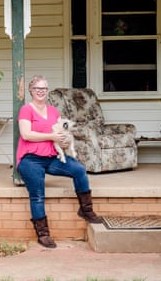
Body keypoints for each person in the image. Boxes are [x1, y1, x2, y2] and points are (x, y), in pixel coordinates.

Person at [16, 75, 102, 248]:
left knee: (79, 170)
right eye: (38, 89)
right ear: (31, 91)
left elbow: (60, 135)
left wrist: (64, 141)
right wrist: (51, 136)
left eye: (44, 89)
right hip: (30, 160)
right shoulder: (26, 109)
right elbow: (26, 134)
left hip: (51, 157)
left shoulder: (54, 111)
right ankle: (43, 234)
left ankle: (86, 210)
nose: (41, 92)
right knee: (38, 194)